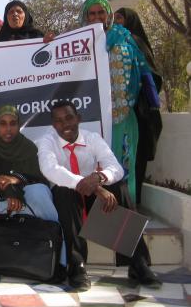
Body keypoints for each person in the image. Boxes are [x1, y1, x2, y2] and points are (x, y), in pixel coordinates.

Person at [36, 100, 160, 290]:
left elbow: (115, 167)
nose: (65, 124)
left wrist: (99, 177)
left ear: (78, 118)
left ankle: (138, 263)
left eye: (69, 117)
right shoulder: (47, 141)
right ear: (53, 125)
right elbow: (51, 169)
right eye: (59, 121)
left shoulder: (92, 138)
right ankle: (77, 265)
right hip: (67, 200)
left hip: (92, 198)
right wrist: (91, 185)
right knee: (63, 191)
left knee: (119, 187)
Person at [0, 105, 66, 269]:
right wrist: (8, 189)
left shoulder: (28, 148)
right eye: (3, 124)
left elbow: (38, 177)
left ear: (19, 125)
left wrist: (16, 180)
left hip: (24, 207)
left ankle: (56, 252)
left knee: (40, 191)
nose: (8, 129)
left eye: (13, 123)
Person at [79, 0, 159, 203]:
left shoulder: (124, 37)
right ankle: (96, 216)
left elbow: (143, 70)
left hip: (123, 116)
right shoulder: (80, 41)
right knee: (94, 166)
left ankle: (125, 218)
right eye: (92, 13)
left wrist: (154, 104)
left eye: (101, 12)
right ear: (86, 17)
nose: (97, 17)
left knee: (123, 166)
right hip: (92, 120)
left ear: (108, 14)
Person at [114, 8, 163, 204]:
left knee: (134, 162)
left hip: (138, 114)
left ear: (130, 21)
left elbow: (152, 78)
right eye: (114, 18)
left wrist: (133, 90)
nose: (116, 22)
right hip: (118, 115)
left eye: (120, 18)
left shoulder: (134, 42)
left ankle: (133, 207)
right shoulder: (112, 41)